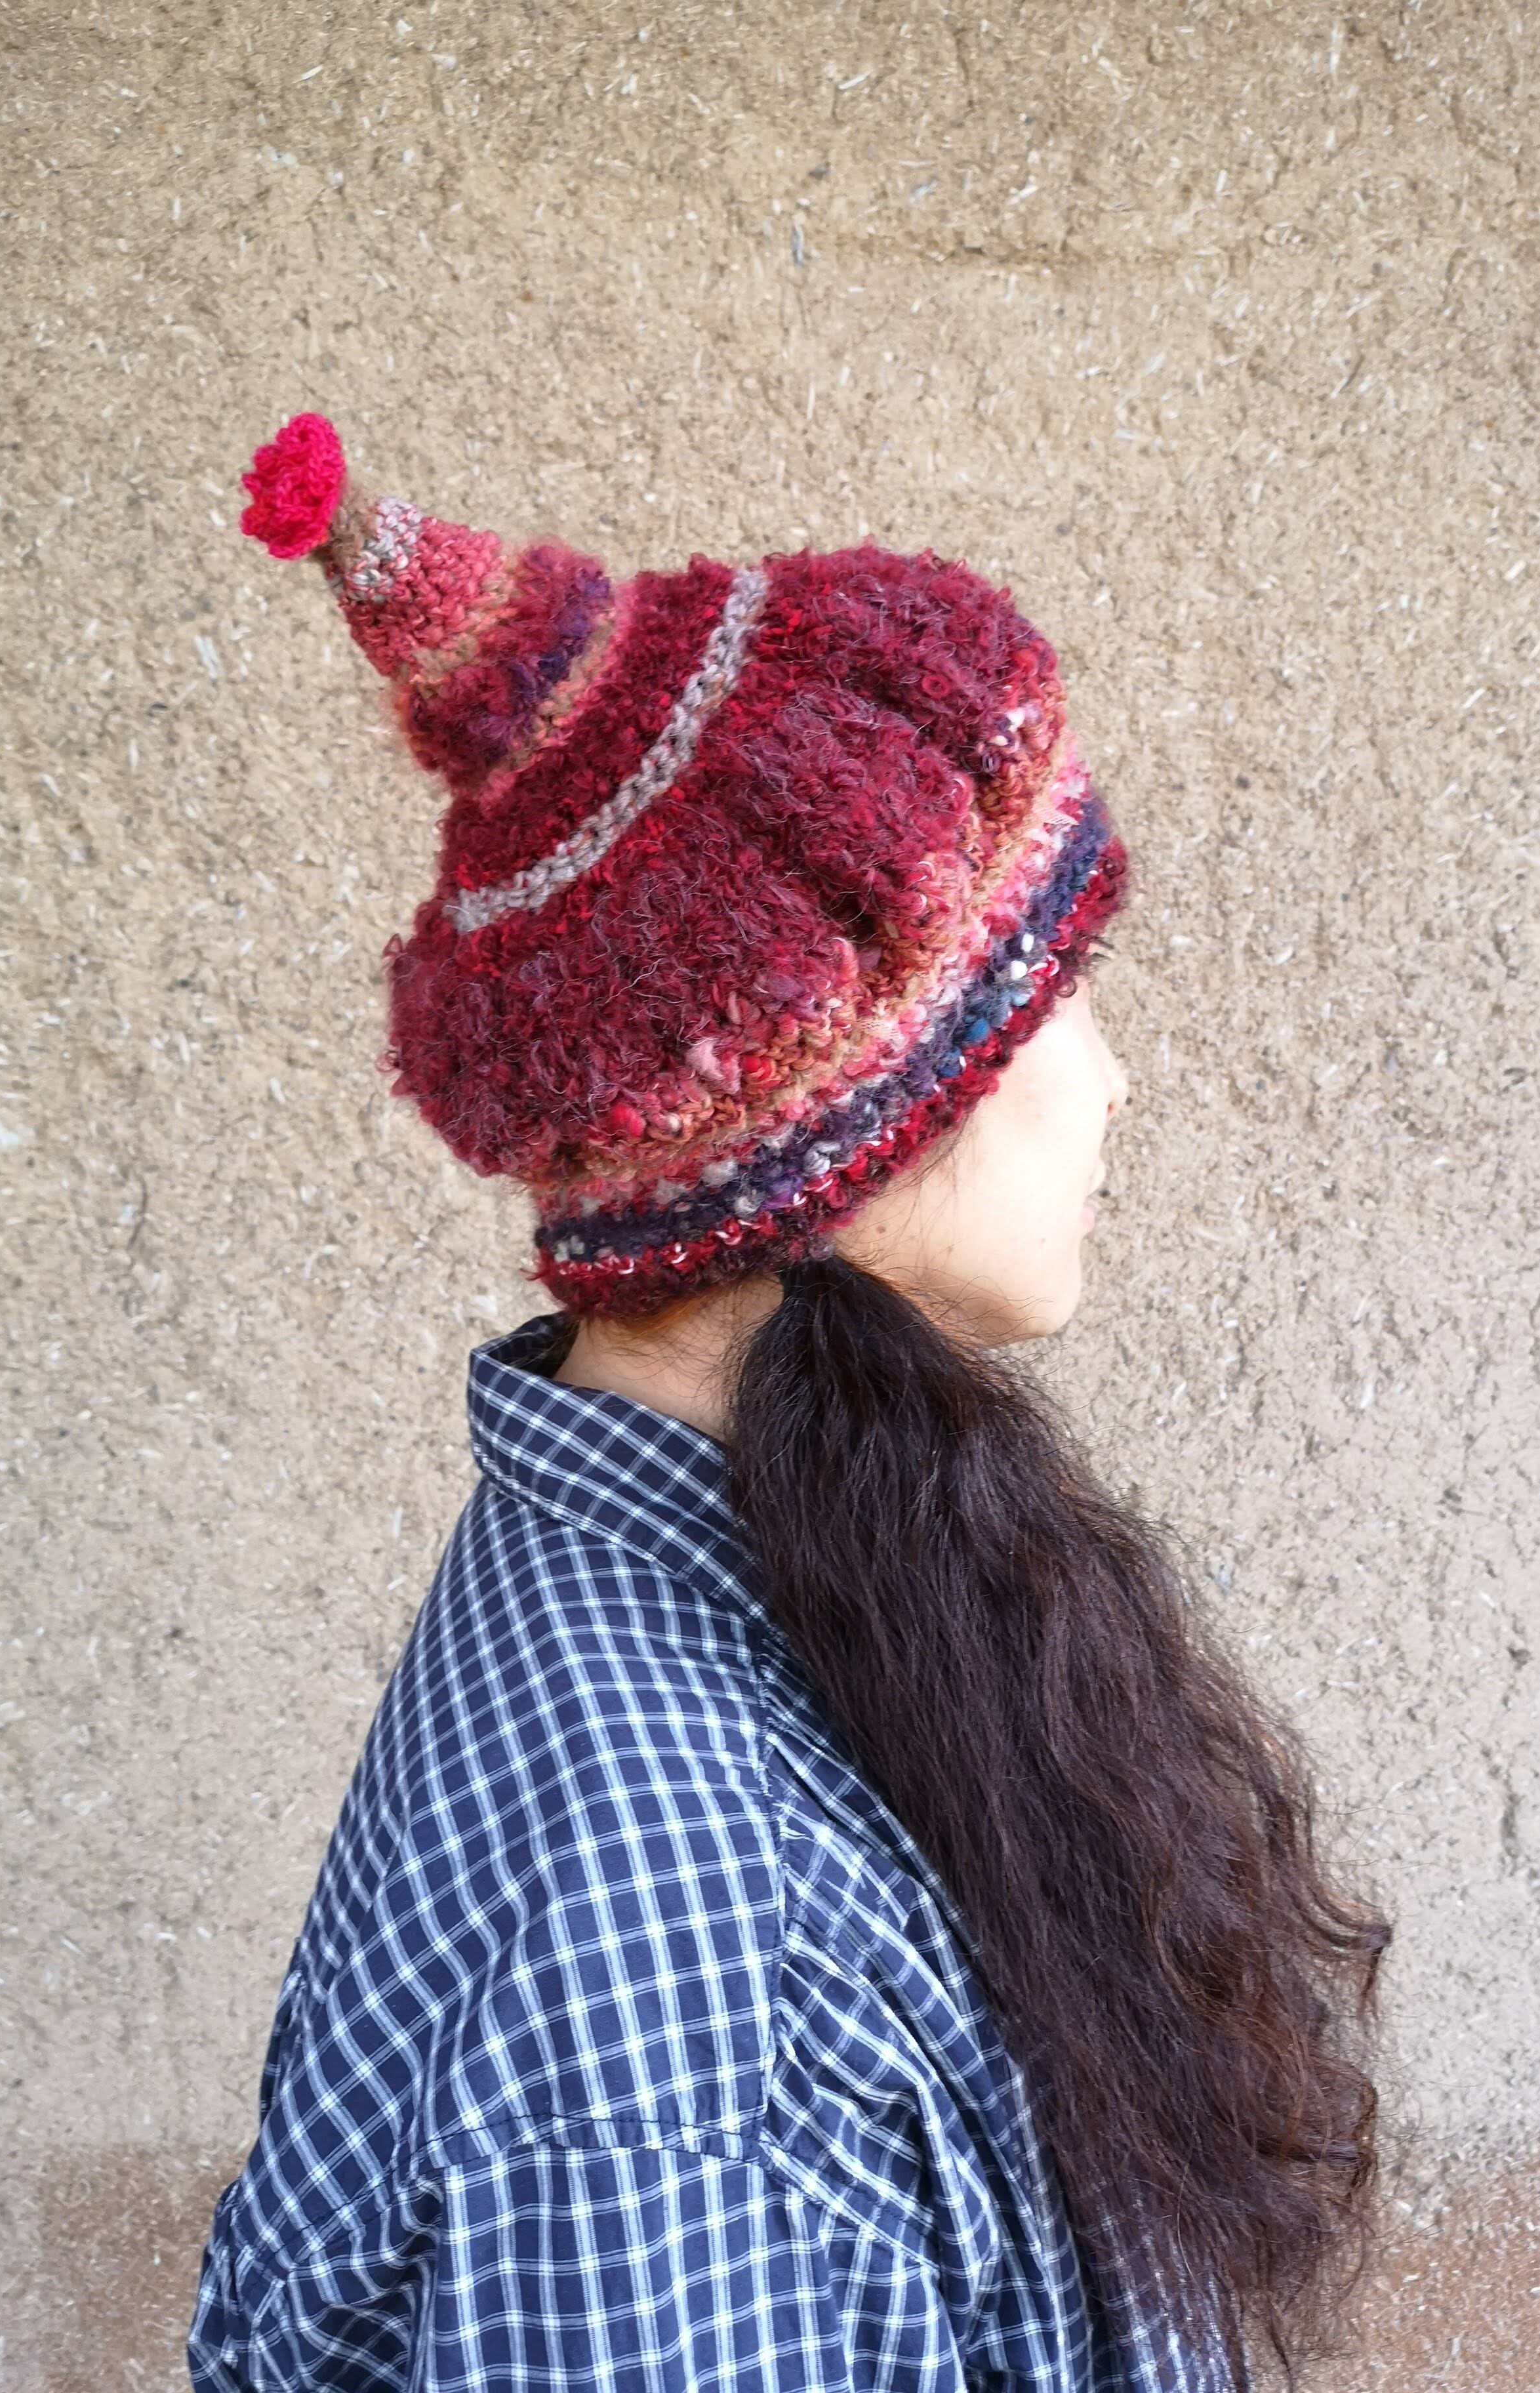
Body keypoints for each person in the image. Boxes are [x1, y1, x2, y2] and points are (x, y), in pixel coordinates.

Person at [188, 415, 1387, 2393]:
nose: (1109, 1082)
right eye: (1047, 994)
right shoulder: (690, 1948)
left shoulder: (760, 1571)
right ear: (841, 1118)